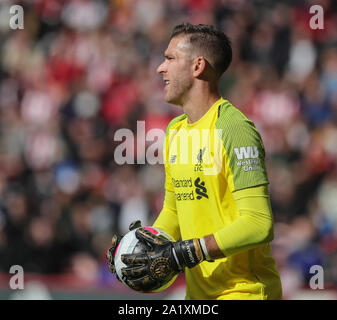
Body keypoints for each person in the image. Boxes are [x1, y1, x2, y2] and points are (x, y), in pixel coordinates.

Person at [107, 23, 282, 300]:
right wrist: (139, 247)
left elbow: (259, 223)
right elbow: (174, 211)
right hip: (198, 296)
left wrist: (186, 252)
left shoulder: (234, 128)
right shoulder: (175, 130)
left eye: (170, 58)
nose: (160, 68)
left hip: (243, 292)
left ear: (197, 66)